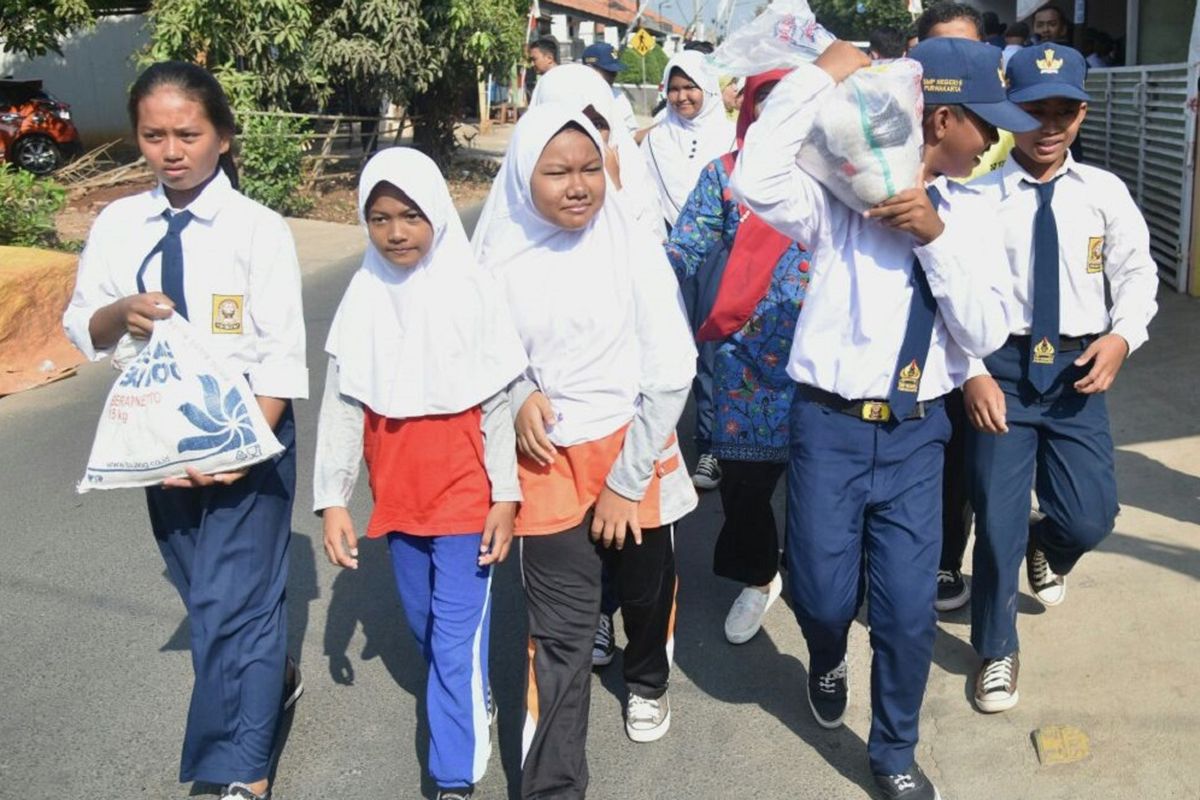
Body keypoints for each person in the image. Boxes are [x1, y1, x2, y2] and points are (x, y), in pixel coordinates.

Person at [733, 38, 1032, 799]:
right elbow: (757, 171)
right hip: (828, 430)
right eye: (984, 125)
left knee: (905, 616)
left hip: (915, 436)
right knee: (824, 595)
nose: (996, 141)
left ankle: (894, 751)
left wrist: (934, 239)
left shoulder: (971, 214)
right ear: (940, 120)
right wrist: (822, 74)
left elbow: (989, 333)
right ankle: (826, 653)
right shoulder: (838, 205)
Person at [63, 61, 308, 800]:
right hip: (157, 448)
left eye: (188, 134)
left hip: (248, 444)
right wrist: (121, 312)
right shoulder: (118, 224)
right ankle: (273, 680)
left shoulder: (256, 231)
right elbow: (85, 325)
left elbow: (281, 357)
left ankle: (240, 771)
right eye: (154, 135)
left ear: (222, 137)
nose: (171, 150)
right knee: (210, 595)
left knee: (231, 604)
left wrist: (238, 452)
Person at [472, 105, 697, 797]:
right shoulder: (498, 258)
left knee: (643, 588)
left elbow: (671, 369)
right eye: (557, 172)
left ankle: (646, 676)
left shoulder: (629, 245)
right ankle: (553, 788)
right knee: (560, 639)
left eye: (590, 169)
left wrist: (627, 483)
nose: (578, 186)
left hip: (635, 450)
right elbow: (481, 356)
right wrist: (516, 395)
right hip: (547, 466)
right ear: (522, 177)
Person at [315, 148, 528, 800]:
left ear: (435, 211)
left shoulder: (472, 289)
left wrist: (506, 495)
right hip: (400, 501)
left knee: (454, 637)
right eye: (379, 218)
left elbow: (497, 402)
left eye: (410, 215)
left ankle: (453, 777)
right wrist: (333, 499)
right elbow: (343, 402)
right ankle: (475, 699)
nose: (396, 231)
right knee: (426, 630)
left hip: (467, 496)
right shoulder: (364, 294)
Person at [964, 45, 1158, 715]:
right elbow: (951, 295)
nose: (1048, 127)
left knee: (1092, 515)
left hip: (1077, 371)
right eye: (1032, 111)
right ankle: (995, 647)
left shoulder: (1103, 192)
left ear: (1083, 111)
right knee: (995, 521)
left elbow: (1136, 274)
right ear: (1008, 110)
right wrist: (969, 373)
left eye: (1062, 112)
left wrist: (1122, 335)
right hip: (1004, 373)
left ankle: (1051, 545)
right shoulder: (976, 199)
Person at [664, 69, 810, 645]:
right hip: (742, 363)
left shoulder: (839, 180)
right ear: (751, 109)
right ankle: (759, 577)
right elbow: (682, 249)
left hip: (823, 369)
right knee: (745, 492)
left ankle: (819, 587)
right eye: (769, 104)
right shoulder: (725, 176)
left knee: (820, 492)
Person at [641, 49, 736, 493]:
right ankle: (658, 442)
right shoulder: (656, 139)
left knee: (713, 351)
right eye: (673, 89)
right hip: (669, 255)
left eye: (689, 88)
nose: (681, 97)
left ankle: (712, 444)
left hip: (722, 254)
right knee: (669, 349)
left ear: (708, 89)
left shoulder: (732, 136)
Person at [530, 62, 662, 233]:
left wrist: (617, 189)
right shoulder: (512, 218)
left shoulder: (633, 178)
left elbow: (646, 247)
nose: (583, 140)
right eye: (568, 126)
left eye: (597, 125)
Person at [581, 42, 640, 135]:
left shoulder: (618, 96)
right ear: (589, 69)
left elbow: (632, 133)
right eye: (609, 72)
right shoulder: (574, 97)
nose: (614, 76)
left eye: (615, 72)